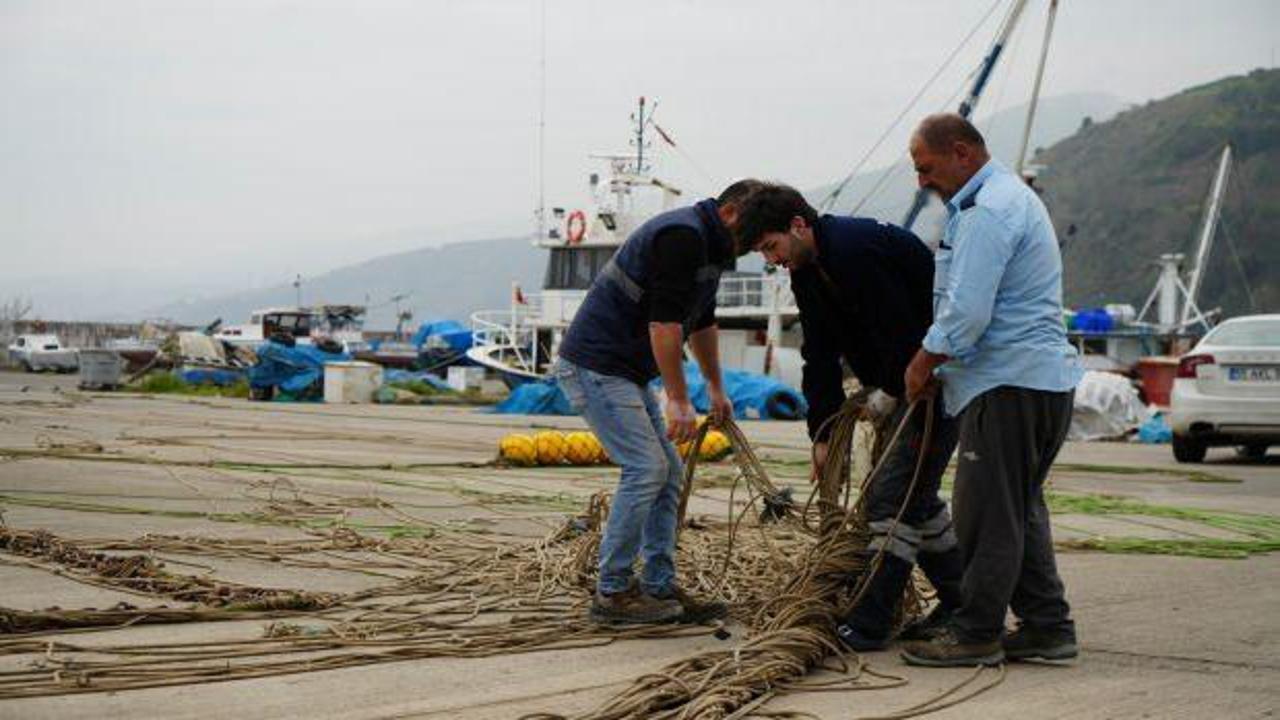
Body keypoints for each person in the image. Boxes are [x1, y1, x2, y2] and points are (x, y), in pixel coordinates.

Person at [733, 182, 965, 651]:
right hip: (905, 386)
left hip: (939, 384)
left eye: (771, 246)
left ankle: (872, 620)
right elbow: (819, 352)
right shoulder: (808, 268)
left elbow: (904, 329)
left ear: (798, 226)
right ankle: (964, 601)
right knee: (916, 498)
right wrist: (821, 432)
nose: (772, 260)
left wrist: (894, 396)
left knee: (891, 498)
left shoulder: (858, 251)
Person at [899, 113, 1084, 667]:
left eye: (926, 169)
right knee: (1019, 509)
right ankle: (1048, 628)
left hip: (1007, 384)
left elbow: (968, 312)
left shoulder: (989, 211)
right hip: (1037, 382)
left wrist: (923, 360)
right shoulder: (1006, 200)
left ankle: (977, 632)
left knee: (985, 513)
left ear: (962, 153)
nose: (921, 182)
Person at [555, 180, 761, 625]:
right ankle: (612, 592)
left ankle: (658, 586)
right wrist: (680, 400)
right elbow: (665, 324)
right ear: (730, 214)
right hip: (597, 365)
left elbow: (701, 320)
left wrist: (716, 388)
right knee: (647, 468)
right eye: (753, 233)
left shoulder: (715, 246)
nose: (755, 246)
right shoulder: (682, 236)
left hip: (625, 372)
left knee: (668, 475)